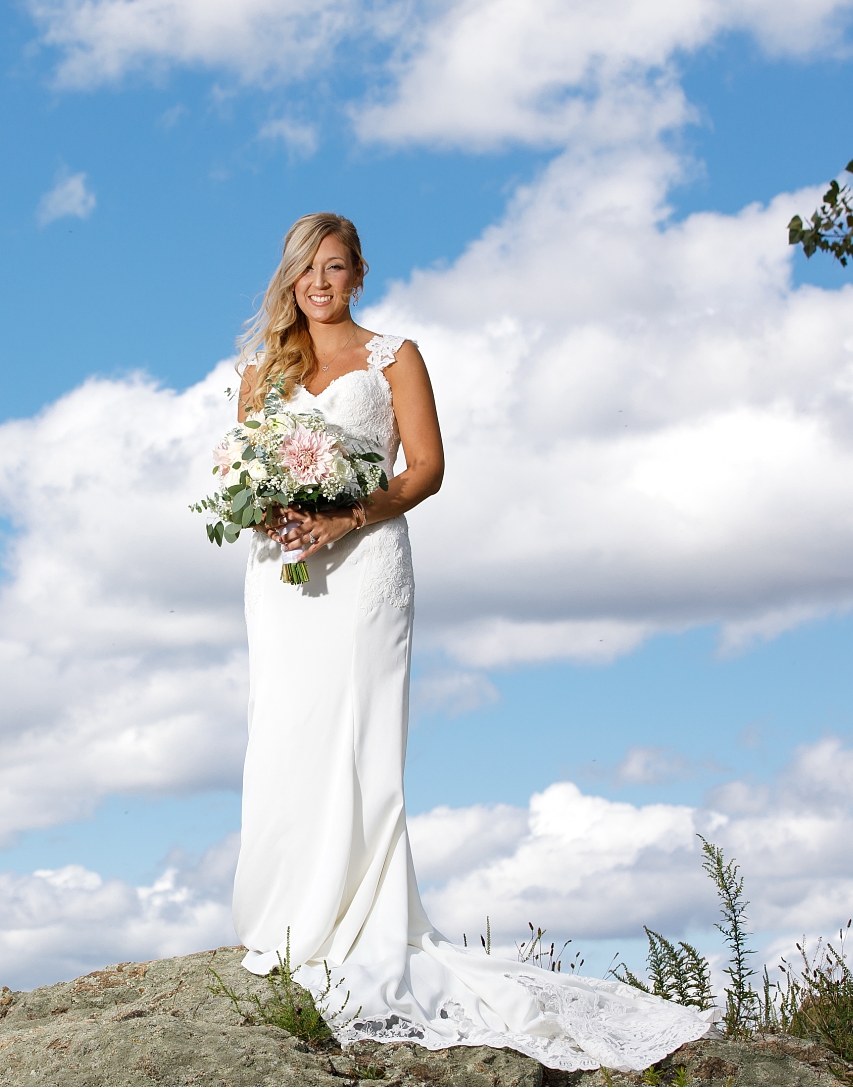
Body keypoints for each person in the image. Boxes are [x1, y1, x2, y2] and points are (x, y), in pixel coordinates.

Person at [230, 212, 715, 1072]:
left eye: (336, 267)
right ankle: (284, 915)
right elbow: (243, 466)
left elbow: (425, 468)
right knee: (285, 727)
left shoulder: (395, 356)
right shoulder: (260, 371)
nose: (320, 282)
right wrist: (277, 509)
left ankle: (354, 919)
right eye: (307, 266)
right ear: (290, 275)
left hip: (366, 562)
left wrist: (345, 515)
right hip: (282, 573)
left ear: (358, 274)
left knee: (356, 733)